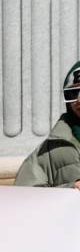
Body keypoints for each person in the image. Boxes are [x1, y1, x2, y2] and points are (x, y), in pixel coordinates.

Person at [14, 60, 80, 189]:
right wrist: (71, 189)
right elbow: (25, 192)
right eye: (73, 93)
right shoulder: (51, 148)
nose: (79, 100)